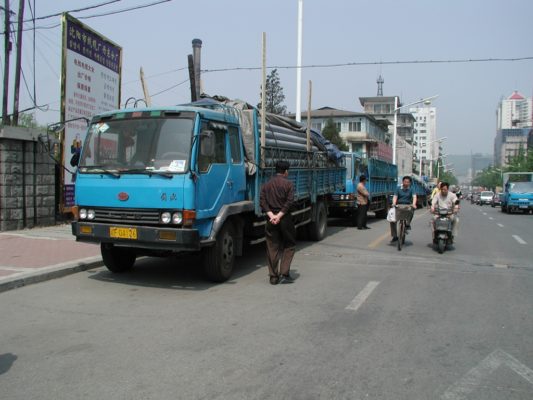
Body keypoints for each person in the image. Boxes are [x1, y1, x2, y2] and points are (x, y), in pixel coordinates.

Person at [260, 160, 296, 285]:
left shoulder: (266, 185)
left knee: (272, 246)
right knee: (289, 244)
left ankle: (274, 277)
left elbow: (263, 202)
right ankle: (284, 273)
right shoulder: (289, 184)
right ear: (286, 172)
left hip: (270, 220)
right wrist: (279, 216)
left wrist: (272, 215)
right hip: (285, 219)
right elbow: (289, 201)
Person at [390, 176, 417, 243]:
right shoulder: (398, 188)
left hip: (408, 205)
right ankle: (394, 236)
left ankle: (407, 224)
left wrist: (413, 204)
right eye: (405, 181)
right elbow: (395, 196)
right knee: (392, 220)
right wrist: (393, 203)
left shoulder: (412, 189)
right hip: (399, 205)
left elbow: (414, 197)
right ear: (403, 182)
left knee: (412, 210)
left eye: (408, 182)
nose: (406, 183)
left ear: (410, 183)